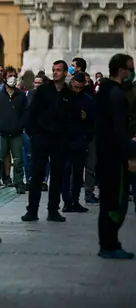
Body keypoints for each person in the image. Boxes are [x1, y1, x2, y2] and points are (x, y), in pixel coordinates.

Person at [95, 54, 135, 260]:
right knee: (115, 201)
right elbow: (119, 129)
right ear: (121, 70)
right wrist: (129, 155)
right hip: (114, 157)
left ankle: (109, 243)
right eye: (130, 69)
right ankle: (109, 244)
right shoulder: (116, 94)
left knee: (108, 201)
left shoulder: (103, 90)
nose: (131, 73)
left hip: (104, 154)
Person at [23, 60, 73, 223]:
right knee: (36, 175)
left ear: (66, 73)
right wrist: (34, 134)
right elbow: (32, 112)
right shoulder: (43, 90)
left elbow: (71, 119)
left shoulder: (68, 94)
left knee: (57, 175)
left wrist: (66, 138)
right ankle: (32, 210)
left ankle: (53, 210)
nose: (56, 72)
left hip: (60, 140)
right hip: (41, 138)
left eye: (59, 70)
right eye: (54, 70)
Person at [62, 73, 94, 213]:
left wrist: (86, 119)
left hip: (80, 140)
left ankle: (74, 200)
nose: (78, 91)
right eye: (76, 87)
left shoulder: (87, 100)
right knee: (66, 171)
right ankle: (67, 201)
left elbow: (93, 121)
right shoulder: (65, 97)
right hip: (65, 141)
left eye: (81, 88)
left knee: (77, 172)